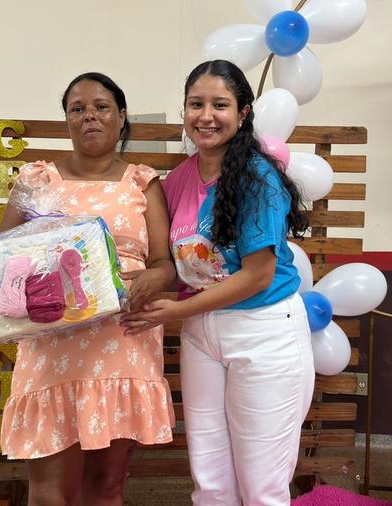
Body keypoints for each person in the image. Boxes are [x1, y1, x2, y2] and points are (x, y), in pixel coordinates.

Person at [0, 72, 176, 506]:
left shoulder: (142, 182)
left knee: (106, 487)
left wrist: (155, 277)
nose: (89, 116)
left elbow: (163, 263)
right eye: (77, 109)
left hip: (122, 340)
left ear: (121, 117)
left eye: (101, 107)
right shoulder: (36, 180)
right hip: (50, 347)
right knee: (48, 492)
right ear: (67, 120)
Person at [121, 60, 315, 505]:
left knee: (262, 485)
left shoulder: (258, 178)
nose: (206, 116)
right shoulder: (177, 181)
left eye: (220, 105)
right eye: (196, 104)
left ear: (243, 113)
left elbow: (258, 274)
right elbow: (167, 260)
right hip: (201, 337)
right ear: (184, 111)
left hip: (263, 333)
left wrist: (177, 311)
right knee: (209, 481)